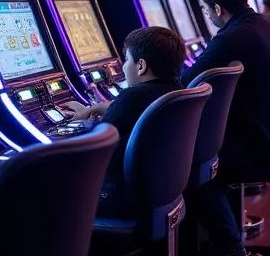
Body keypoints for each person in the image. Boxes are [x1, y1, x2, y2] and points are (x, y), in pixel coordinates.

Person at [181, 0, 270, 256]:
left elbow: (185, 81)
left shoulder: (233, 35)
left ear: (218, 9)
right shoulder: (268, 25)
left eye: (206, 10)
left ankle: (229, 250)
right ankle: (226, 240)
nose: (207, 16)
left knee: (196, 170)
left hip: (257, 144)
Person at [62, 26, 185, 213]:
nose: (123, 66)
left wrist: (81, 122)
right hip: (161, 188)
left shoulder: (132, 97)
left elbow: (97, 148)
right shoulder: (177, 90)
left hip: (121, 195)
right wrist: (104, 107)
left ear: (141, 66)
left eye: (127, 60)